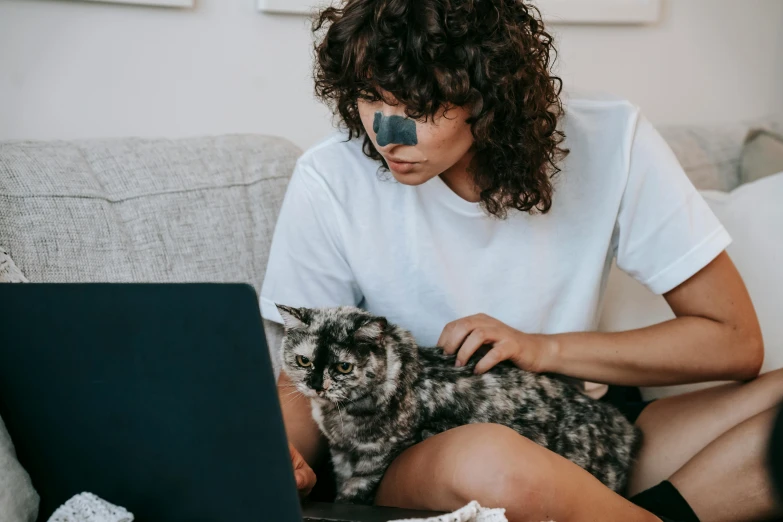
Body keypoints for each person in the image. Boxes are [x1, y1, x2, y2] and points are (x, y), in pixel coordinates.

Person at [260, 1, 783, 521]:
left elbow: (735, 341)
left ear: (487, 97)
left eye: (420, 107)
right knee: (493, 460)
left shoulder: (611, 138)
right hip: (422, 451)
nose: (389, 134)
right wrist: (285, 459)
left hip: (577, 426)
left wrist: (541, 348)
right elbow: (303, 376)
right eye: (371, 98)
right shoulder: (328, 179)